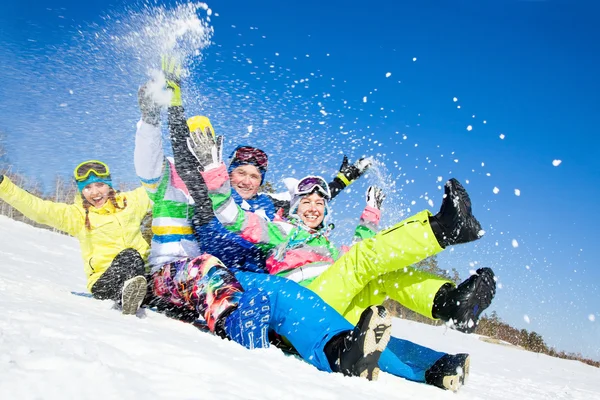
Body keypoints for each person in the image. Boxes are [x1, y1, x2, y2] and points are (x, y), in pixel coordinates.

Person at [134, 60, 394, 380]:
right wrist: (151, 117)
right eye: (240, 172)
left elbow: (309, 205)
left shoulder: (265, 205)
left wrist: (344, 178)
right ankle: (242, 333)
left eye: (254, 175)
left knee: (271, 293)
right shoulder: (184, 184)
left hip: (240, 281)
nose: (246, 180)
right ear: (225, 170)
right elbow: (150, 163)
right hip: (188, 271)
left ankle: (330, 347)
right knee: (209, 269)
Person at [0, 161, 150, 314]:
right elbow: (38, 209)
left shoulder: (130, 203)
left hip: (143, 277)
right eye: (87, 187)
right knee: (130, 256)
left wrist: (172, 162)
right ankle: (127, 298)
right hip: (106, 282)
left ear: (109, 184)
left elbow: (156, 188)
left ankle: (161, 303)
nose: (95, 192)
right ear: (81, 191)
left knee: (168, 272)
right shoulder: (77, 216)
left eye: (99, 185)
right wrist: (3, 185)